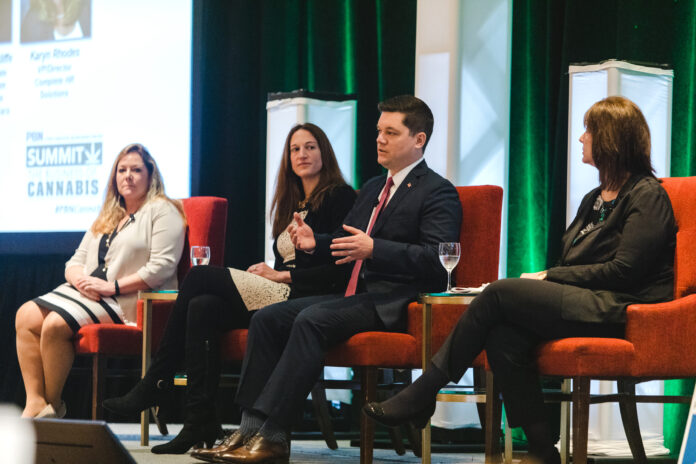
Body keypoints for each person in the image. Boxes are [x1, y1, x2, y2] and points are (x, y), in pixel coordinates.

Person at [363, 96, 677, 464]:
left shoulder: (647, 195)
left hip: (624, 307)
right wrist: (555, 279)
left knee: (499, 293)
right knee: (503, 336)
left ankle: (424, 391)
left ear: (611, 139)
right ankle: (543, 449)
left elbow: (626, 271)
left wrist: (550, 277)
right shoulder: (595, 198)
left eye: (588, 131)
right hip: (585, 298)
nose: (580, 139)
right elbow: (576, 258)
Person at [191, 95, 462, 464]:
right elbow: (343, 240)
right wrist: (313, 242)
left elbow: (437, 260)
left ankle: (272, 437)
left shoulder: (438, 191)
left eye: (391, 132)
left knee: (310, 319)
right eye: (378, 131)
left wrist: (375, 249)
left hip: (392, 300)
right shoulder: (372, 189)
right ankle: (249, 427)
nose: (379, 139)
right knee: (268, 318)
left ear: (419, 139)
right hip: (352, 296)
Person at [102, 123, 356, 454]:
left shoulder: (341, 197)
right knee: (202, 306)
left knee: (198, 278)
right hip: (282, 292)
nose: (302, 154)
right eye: (295, 149)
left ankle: (155, 382)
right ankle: (200, 422)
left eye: (310, 147)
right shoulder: (292, 202)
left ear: (325, 151)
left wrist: (284, 277)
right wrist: (275, 275)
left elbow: (342, 268)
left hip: (308, 297)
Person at [15, 143, 186, 419]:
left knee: (56, 324)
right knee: (25, 316)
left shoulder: (163, 210)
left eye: (136, 170)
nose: (127, 176)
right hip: (86, 294)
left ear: (151, 175)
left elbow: (163, 267)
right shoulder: (109, 214)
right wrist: (80, 281)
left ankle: (54, 405)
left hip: (124, 301)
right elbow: (75, 261)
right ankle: (35, 402)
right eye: (122, 170)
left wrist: (111, 287)